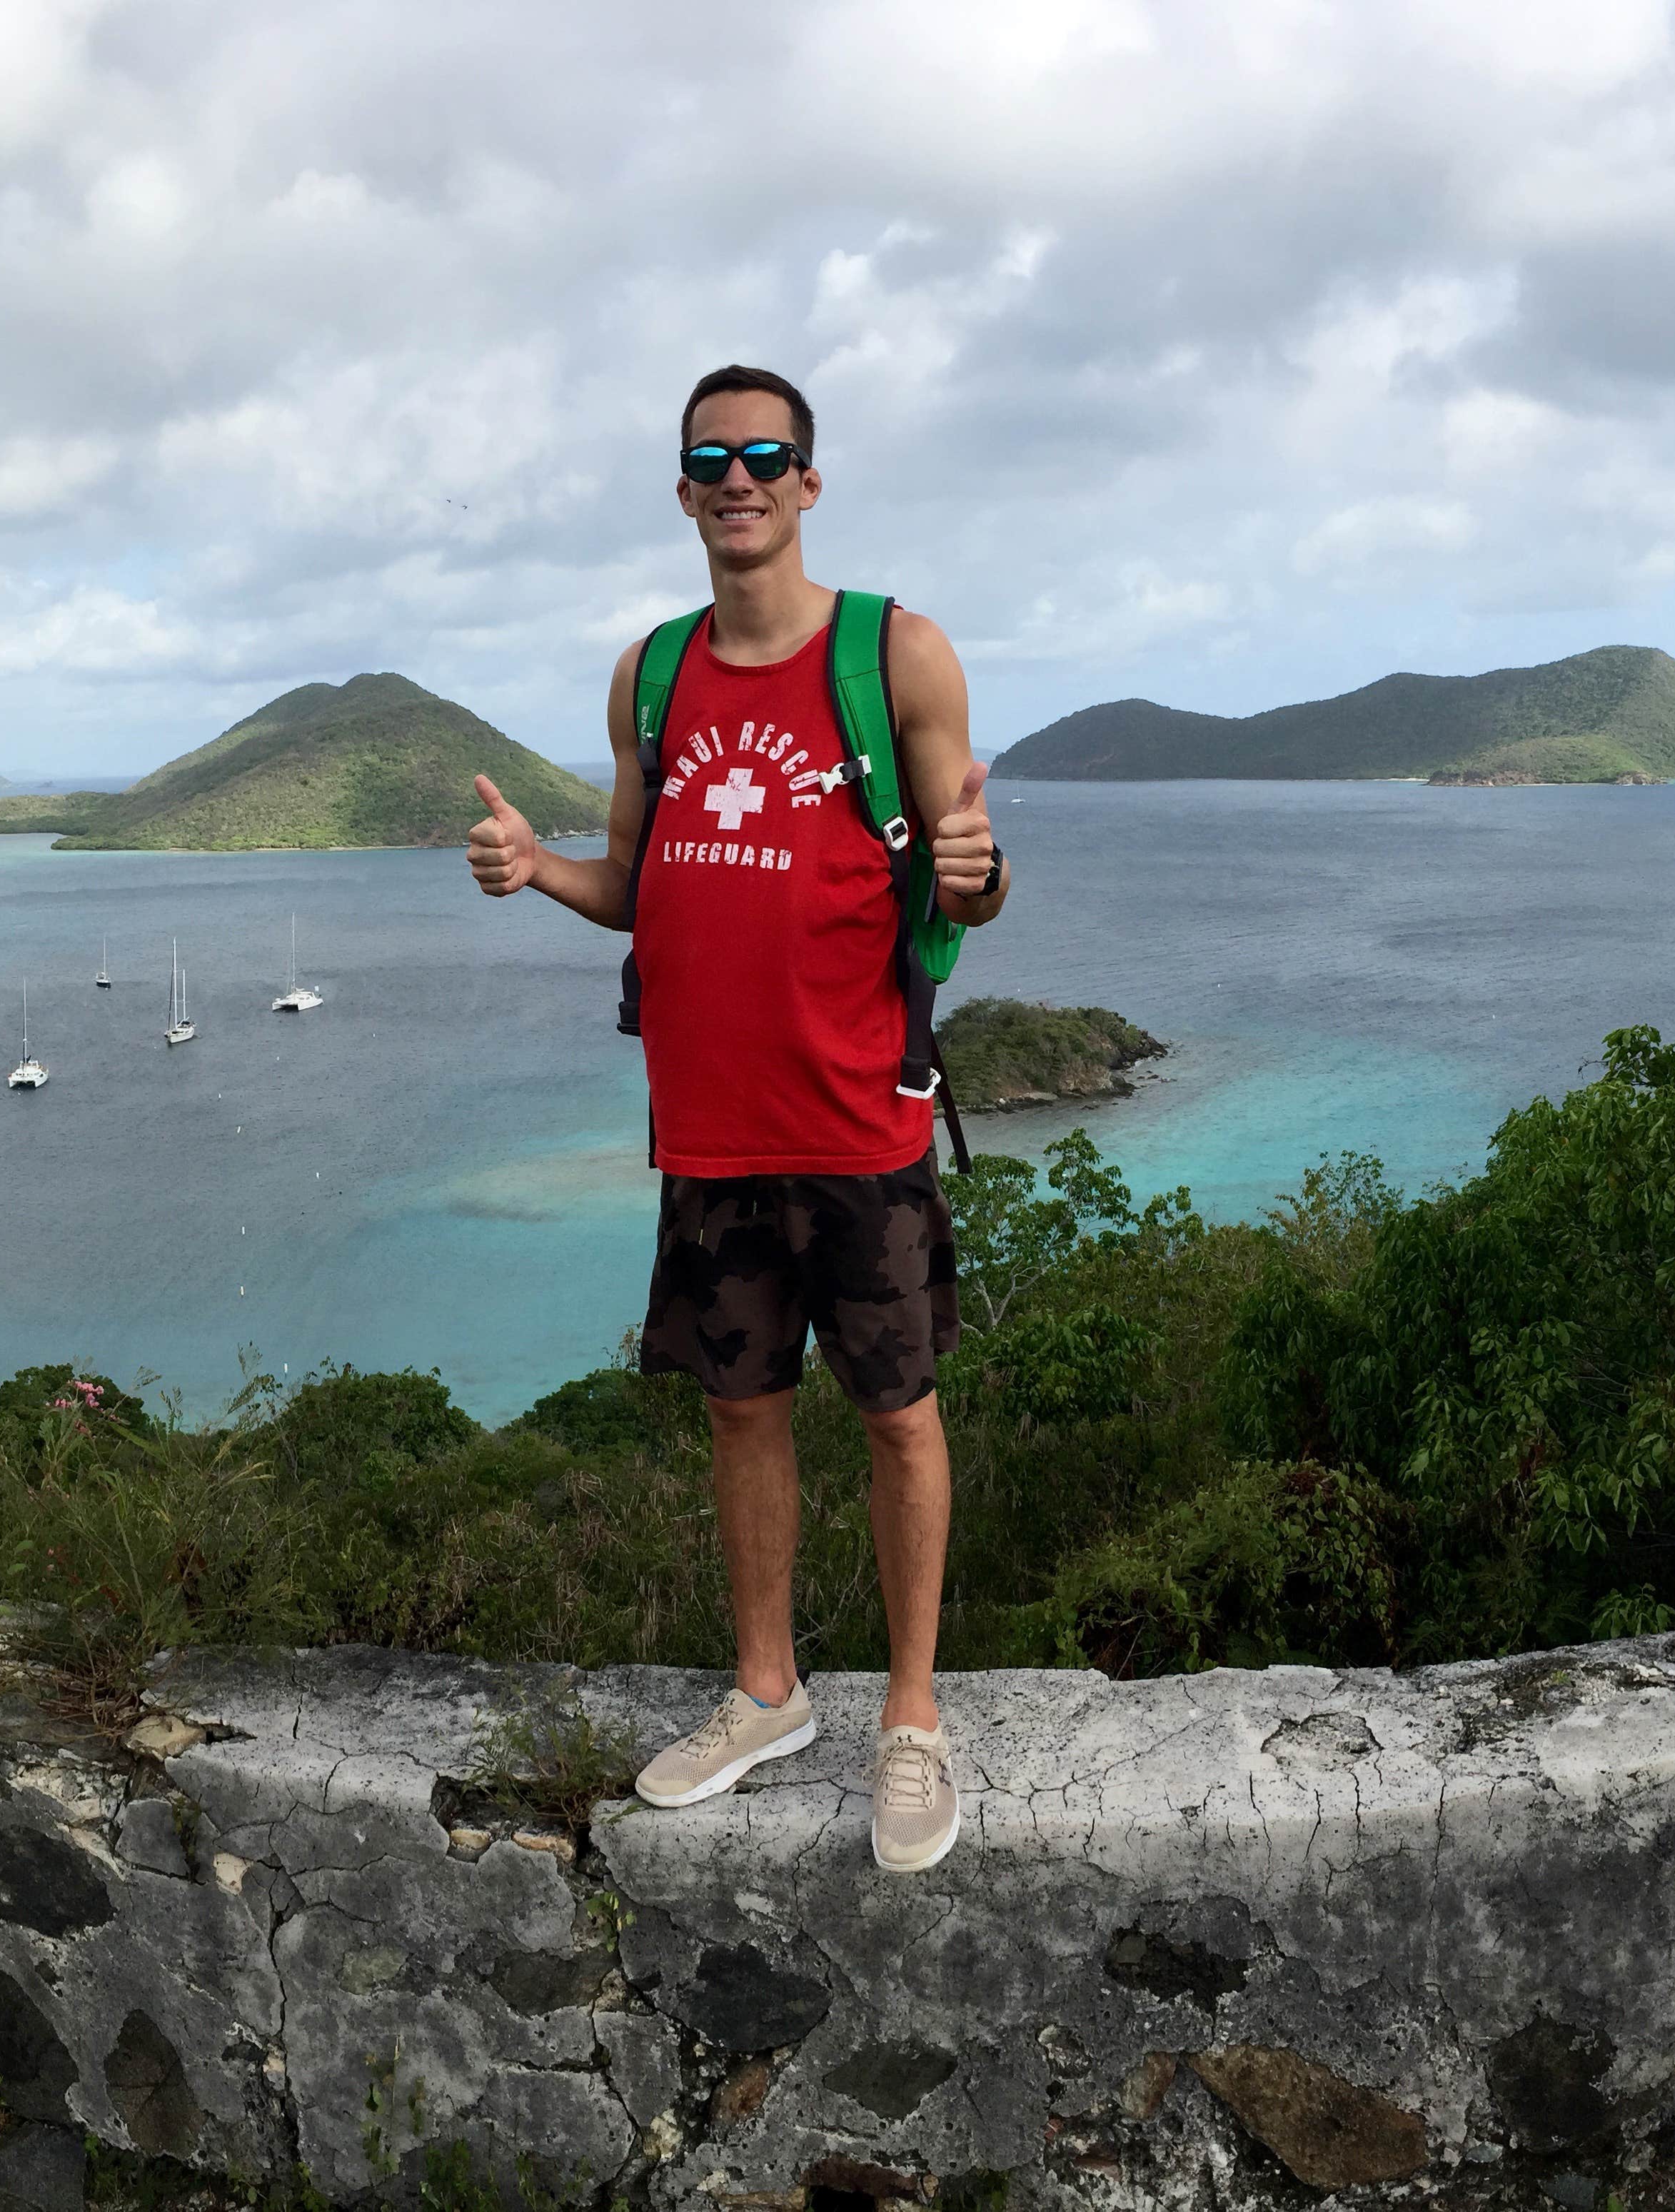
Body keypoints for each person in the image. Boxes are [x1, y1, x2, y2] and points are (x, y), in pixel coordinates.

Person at [461, 363, 1005, 1873]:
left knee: (897, 1413)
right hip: (709, 1128)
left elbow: (964, 876)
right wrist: (535, 870)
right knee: (740, 1408)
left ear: (808, 483)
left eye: (766, 455)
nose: (739, 478)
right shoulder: (651, 674)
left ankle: (910, 1714)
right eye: (712, 460)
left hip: (860, 1120)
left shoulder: (893, 652)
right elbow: (633, 888)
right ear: (685, 490)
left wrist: (979, 873)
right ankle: (769, 1690)